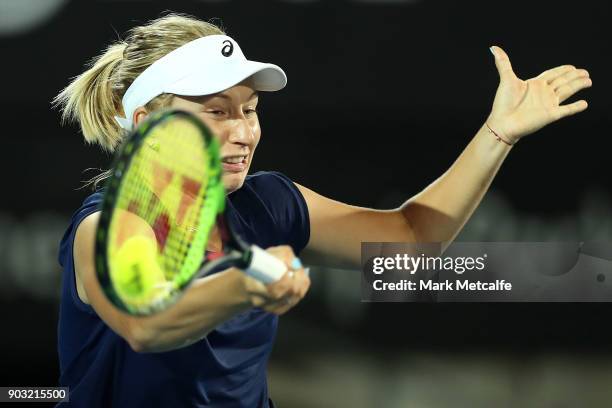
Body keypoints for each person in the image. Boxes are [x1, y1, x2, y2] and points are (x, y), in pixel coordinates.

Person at [53, 12, 592, 408]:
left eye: (251, 110)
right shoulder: (106, 227)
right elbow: (146, 322)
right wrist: (242, 283)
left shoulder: (268, 203)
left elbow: (413, 239)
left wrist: (498, 134)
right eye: (216, 112)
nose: (243, 132)